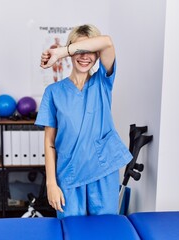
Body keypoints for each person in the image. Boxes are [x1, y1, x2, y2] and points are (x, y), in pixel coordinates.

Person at [35, 24, 132, 219]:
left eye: (90, 51)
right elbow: (49, 143)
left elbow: (107, 42)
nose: (84, 56)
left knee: (104, 233)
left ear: (97, 55)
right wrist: (51, 184)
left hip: (103, 172)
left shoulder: (102, 82)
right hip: (69, 176)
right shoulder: (53, 93)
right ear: (72, 52)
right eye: (79, 50)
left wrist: (60, 52)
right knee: (72, 232)